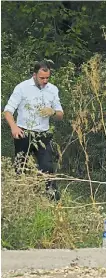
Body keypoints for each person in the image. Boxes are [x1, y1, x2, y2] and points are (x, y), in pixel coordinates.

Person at [4, 61, 64, 200]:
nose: (44, 81)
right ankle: (18, 198)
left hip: (43, 134)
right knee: (21, 168)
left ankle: (52, 199)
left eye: (47, 78)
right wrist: (14, 127)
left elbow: (61, 115)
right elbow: (8, 111)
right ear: (34, 75)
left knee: (47, 167)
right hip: (23, 132)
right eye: (42, 78)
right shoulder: (22, 87)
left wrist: (53, 112)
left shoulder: (52, 89)